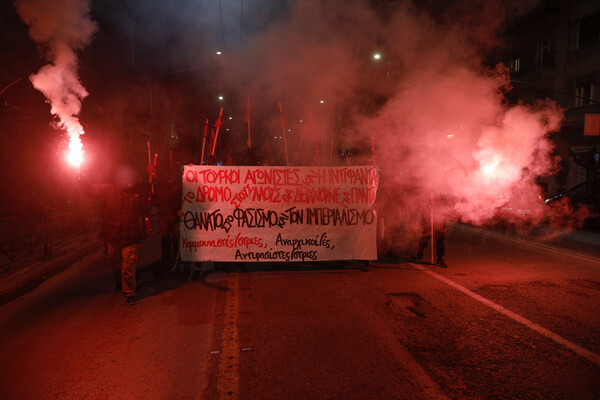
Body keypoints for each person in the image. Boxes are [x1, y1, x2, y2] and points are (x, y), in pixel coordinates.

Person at [84, 164, 153, 305]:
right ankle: (119, 280)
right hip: (113, 236)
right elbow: (89, 189)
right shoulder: (108, 190)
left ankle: (129, 292)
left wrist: (150, 193)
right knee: (115, 263)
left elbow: (145, 210)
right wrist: (80, 176)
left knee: (129, 263)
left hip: (130, 236)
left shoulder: (137, 193)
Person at [415, 196, 448, 268]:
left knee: (440, 237)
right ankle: (420, 252)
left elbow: (446, 200)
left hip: (440, 214)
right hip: (428, 214)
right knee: (426, 234)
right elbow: (422, 198)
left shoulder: (443, 190)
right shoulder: (428, 190)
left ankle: (440, 257)